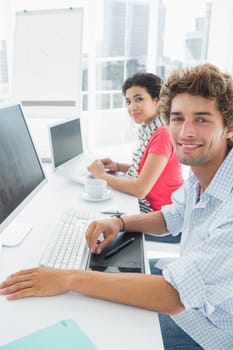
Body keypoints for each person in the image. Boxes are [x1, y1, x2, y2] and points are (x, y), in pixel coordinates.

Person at [1, 63, 233, 350]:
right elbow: (170, 218)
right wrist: (119, 223)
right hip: (195, 302)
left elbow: (172, 297)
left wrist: (67, 278)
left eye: (202, 119)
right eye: (177, 118)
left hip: (210, 332)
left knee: (90, 326)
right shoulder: (205, 175)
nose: (185, 132)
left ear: (229, 127)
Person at [88, 72, 183, 214]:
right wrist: (118, 166)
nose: (132, 107)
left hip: (161, 215)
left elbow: (140, 189)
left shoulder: (163, 134)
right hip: (157, 209)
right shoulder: (152, 129)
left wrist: (102, 176)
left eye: (138, 99)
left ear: (158, 100)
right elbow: (149, 171)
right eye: (128, 101)